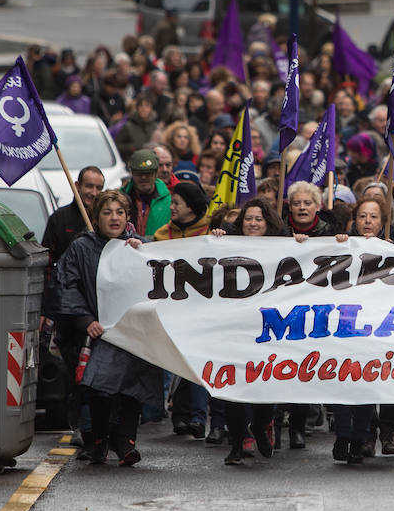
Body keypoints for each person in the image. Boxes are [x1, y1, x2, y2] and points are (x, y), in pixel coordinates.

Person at [55, 191, 161, 466]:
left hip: (131, 332)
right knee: (99, 388)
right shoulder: (80, 248)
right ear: (96, 217)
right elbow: (69, 284)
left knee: (131, 387)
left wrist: (144, 254)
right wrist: (84, 320)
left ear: (127, 218)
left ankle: (126, 441)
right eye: (107, 212)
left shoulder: (139, 247)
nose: (114, 218)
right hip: (96, 331)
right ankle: (98, 438)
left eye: (119, 212)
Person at [154, 181, 226, 443]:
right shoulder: (162, 235)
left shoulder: (212, 234)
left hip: (205, 311)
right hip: (173, 309)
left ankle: (197, 417)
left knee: (197, 362)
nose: (171, 207)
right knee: (177, 360)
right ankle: (180, 416)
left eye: (176, 203)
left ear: (192, 207)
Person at [328, 195, 394, 463]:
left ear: (382, 222)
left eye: (374, 217)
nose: (368, 221)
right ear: (354, 221)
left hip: (375, 327)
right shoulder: (339, 245)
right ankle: (343, 436)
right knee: (343, 383)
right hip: (343, 325)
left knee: (367, 385)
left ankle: (359, 439)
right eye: (363, 216)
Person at [41, 167, 106, 446]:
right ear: (77, 186)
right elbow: (47, 264)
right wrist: (47, 308)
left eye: (98, 187)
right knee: (73, 370)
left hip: (100, 311)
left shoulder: (105, 221)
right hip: (69, 314)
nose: (92, 193)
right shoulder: (60, 220)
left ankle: (96, 425)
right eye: (88, 186)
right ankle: (79, 423)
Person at [217, 198, 281, 465]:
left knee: (264, 386)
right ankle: (235, 443)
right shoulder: (227, 244)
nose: (253, 224)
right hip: (235, 327)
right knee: (233, 388)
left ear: (268, 223)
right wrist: (216, 239)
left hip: (267, 329)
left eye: (259, 219)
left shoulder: (282, 246)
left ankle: (262, 423)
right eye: (248, 219)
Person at [280, 181, 338, 449]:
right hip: (280, 309)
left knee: (302, 368)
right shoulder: (278, 232)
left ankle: (298, 427)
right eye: (296, 203)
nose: (302, 208)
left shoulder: (332, 232)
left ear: (317, 206)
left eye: (307, 203)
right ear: (289, 206)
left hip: (313, 312)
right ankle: (275, 421)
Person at [122, 149, 171, 236]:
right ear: (132, 173)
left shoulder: (169, 200)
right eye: (139, 173)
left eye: (148, 173)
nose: (143, 177)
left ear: (156, 173)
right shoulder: (120, 199)